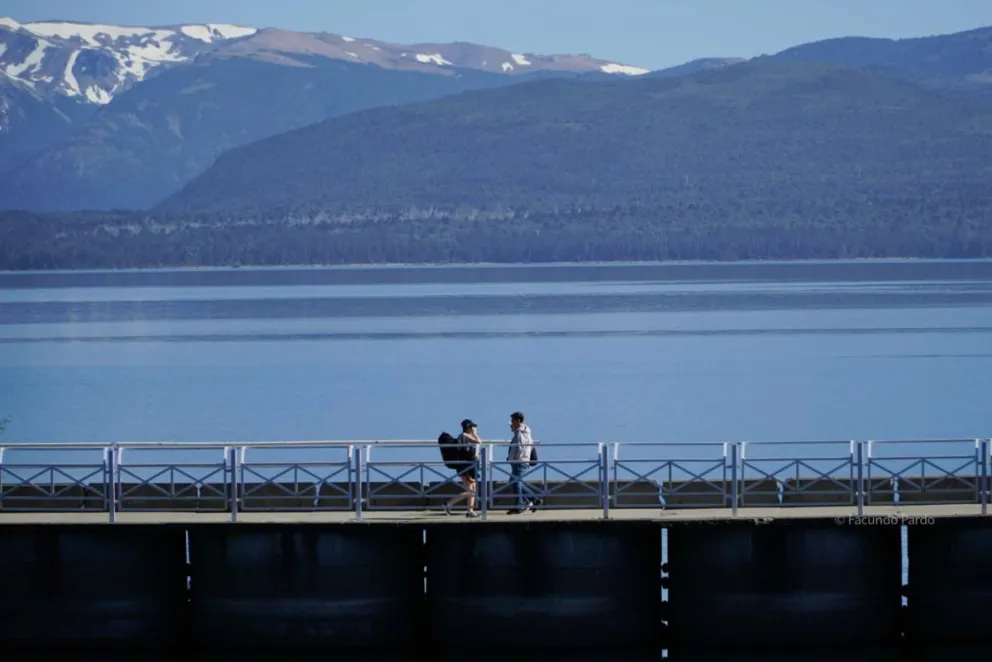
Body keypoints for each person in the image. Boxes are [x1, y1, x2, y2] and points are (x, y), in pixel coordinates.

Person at [445, 418, 481, 518]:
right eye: (472, 427)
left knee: (472, 489)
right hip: (465, 466)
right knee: (471, 490)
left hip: (466, 466)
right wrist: (475, 434)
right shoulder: (464, 435)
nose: (474, 428)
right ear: (468, 427)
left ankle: (469, 511)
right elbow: (478, 442)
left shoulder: (463, 437)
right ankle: (449, 503)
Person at [506, 411, 540, 514]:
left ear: (517, 421)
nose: (511, 424)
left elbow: (520, 448)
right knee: (515, 482)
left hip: (519, 462)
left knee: (516, 482)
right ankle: (534, 499)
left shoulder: (520, 433)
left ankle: (519, 505)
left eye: (512, 421)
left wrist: (514, 458)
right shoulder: (525, 432)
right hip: (520, 461)